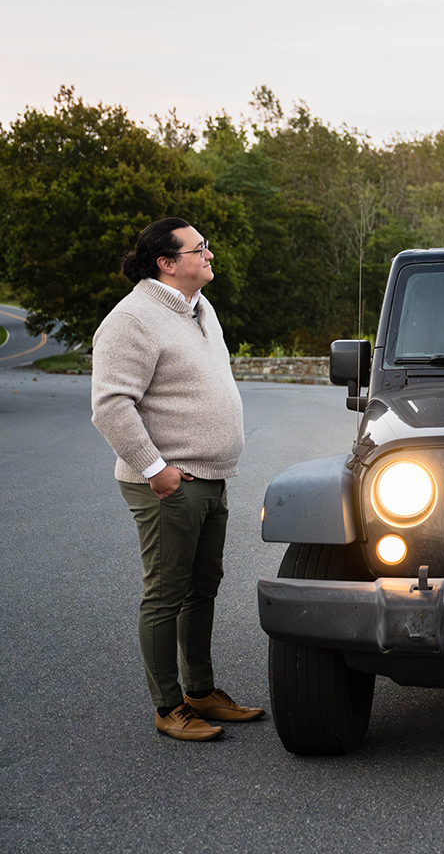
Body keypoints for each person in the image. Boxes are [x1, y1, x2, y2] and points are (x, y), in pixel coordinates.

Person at [91, 217, 264, 741]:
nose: (210, 254)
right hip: (170, 481)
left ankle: (201, 691)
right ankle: (170, 707)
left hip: (210, 477)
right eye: (199, 248)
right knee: (166, 594)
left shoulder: (198, 307)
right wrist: (155, 469)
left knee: (201, 589)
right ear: (167, 263)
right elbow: (110, 404)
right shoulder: (132, 319)